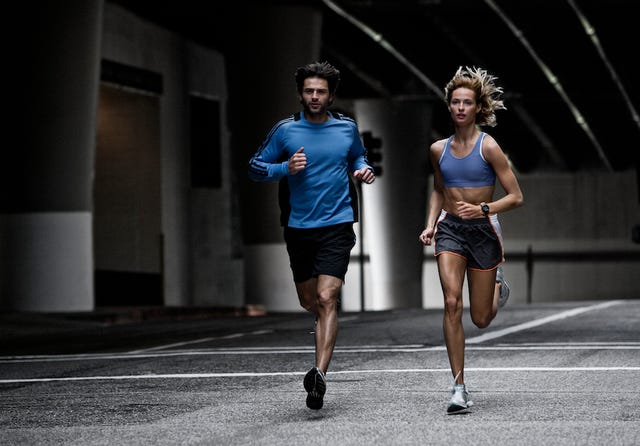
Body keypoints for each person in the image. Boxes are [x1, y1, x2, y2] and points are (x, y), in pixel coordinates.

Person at [248, 61, 376, 410]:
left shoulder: (347, 129)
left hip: (337, 224)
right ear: (301, 94)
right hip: (299, 228)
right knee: (310, 301)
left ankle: (319, 375)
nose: (315, 96)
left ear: (331, 95)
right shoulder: (286, 131)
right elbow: (255, 167)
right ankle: (322, 326)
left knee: (326, 296)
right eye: (309, 91)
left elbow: (358, 158)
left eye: (321, 91)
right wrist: (284, 168)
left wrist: (363, 170)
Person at [418, 66, 524, 414]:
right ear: (448, 107)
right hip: (450, 230)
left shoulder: (488, 147)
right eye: (455, 102)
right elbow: (438, 189)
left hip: (482, 230)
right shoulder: (438, 149)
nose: (461, 108)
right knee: (451, 303)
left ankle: (495, 282)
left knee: (480, 318)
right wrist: (431, 223)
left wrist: (483, 209)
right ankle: (458, 387)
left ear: (478, 108)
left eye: (467, 102)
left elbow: (515, 197)